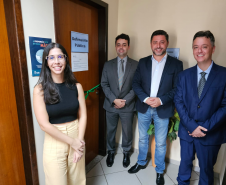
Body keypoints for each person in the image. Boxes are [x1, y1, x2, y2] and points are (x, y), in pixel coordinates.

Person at [130, 30, 183, 185]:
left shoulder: (176, 64)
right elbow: (135, 83)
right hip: (144, 107)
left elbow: (177, 88)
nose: (158, 45)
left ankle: (159, 170)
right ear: (151, 44)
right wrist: (146, 99)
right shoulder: (143, 61)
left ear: (167, 43)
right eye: (155, 42)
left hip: (163, 108)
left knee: (160, 142)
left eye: (162, 42)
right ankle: (141, 162)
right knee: (142, 138)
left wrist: (160, 100)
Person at [175, 30, 226, 185]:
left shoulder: (224, 74)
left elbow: (225, 106)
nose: (199, 51)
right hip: (187, 131)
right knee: (184, 167)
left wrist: (203, 128)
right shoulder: (184, 75)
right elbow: (178, 101)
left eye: (204, 46)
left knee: (206, 171)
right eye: (196, 47)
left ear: (213, 48)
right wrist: (191, 126)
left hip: (211, 133)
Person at [33, 43, 86, 185]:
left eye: (60, 57)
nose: (56, 61)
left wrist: (79, 143)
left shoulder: (76, 86)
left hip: (76, 134)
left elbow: (83, 116)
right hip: (54, 139)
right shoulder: (39, 90)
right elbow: (44, 125)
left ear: (66, 59)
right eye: (51, 57)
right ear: (46, 61)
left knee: (77, 181)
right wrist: (72, 142)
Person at [101, 33, 138, 168]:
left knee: (128, 131)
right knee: (111, 130)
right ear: (115, 47)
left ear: (128, 46)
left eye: (124, 45)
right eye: (118, 45)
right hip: (111, 106)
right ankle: (111, 152)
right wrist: (114, 100)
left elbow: (137, 86)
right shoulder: (107, 64)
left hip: (127, 106)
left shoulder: (136, 65)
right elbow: (104, 84)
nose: (121, 47)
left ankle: (126, 153)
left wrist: (124, 101)